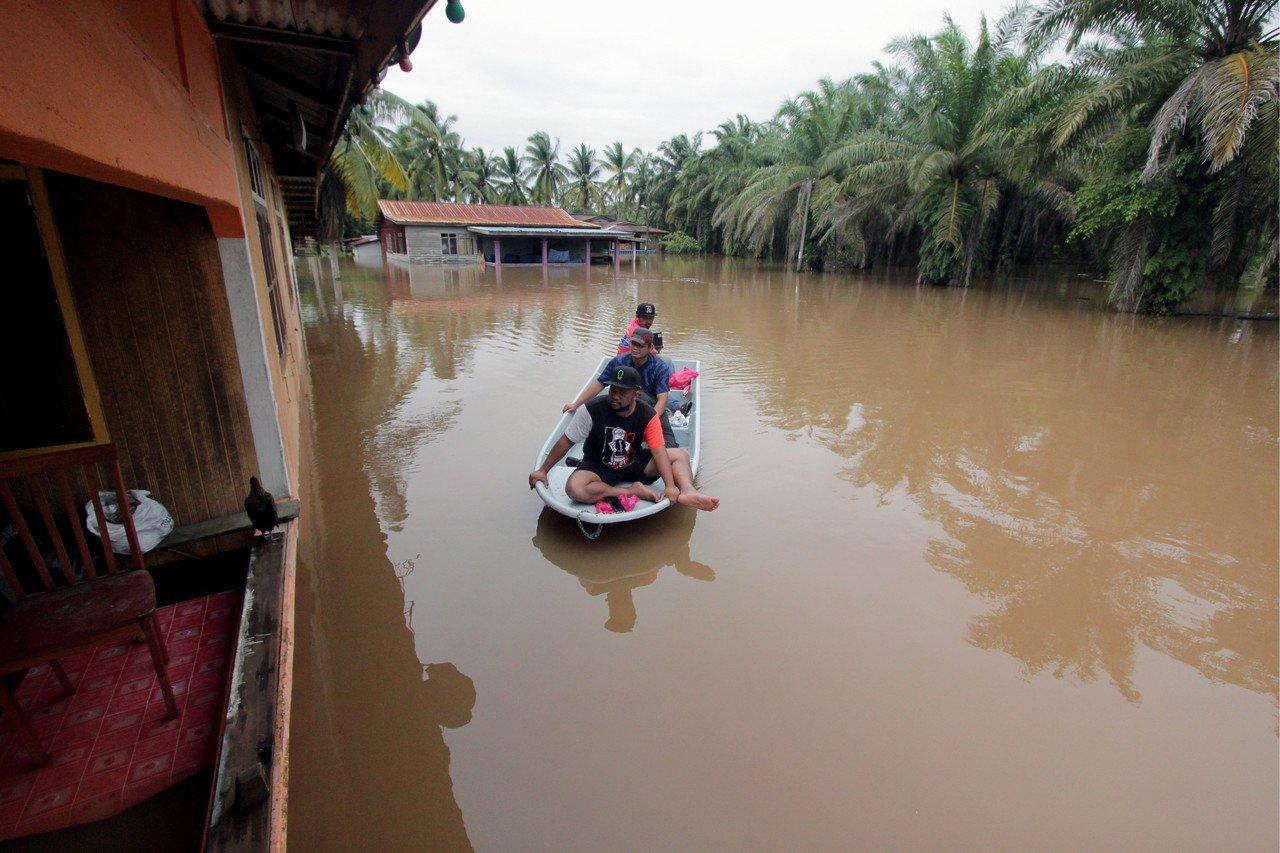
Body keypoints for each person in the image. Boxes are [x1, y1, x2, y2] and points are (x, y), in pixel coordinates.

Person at [530, 365, 718, 511]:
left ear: (636, 394)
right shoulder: (592, 409)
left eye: (622, 392)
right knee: (574, 489)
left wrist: (670, 486)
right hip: (598, 465)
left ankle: (688, 491)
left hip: (634, 463)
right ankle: (631, 491)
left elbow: (658, 451)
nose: (615, 396)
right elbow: (566, 441)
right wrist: (543, 470)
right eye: (613, 390)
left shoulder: (647, 414)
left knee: (679, 455)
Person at [565, 328, 676, 447]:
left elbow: (662, 400)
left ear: (650, 348)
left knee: (669, 447)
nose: (635, 348)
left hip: (650, 408)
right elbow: (599, 384)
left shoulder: (660, 367)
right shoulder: (619, 361)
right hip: (621, 406)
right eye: (633, 343)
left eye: (640, 345)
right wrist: (576, 405)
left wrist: (648, 421)